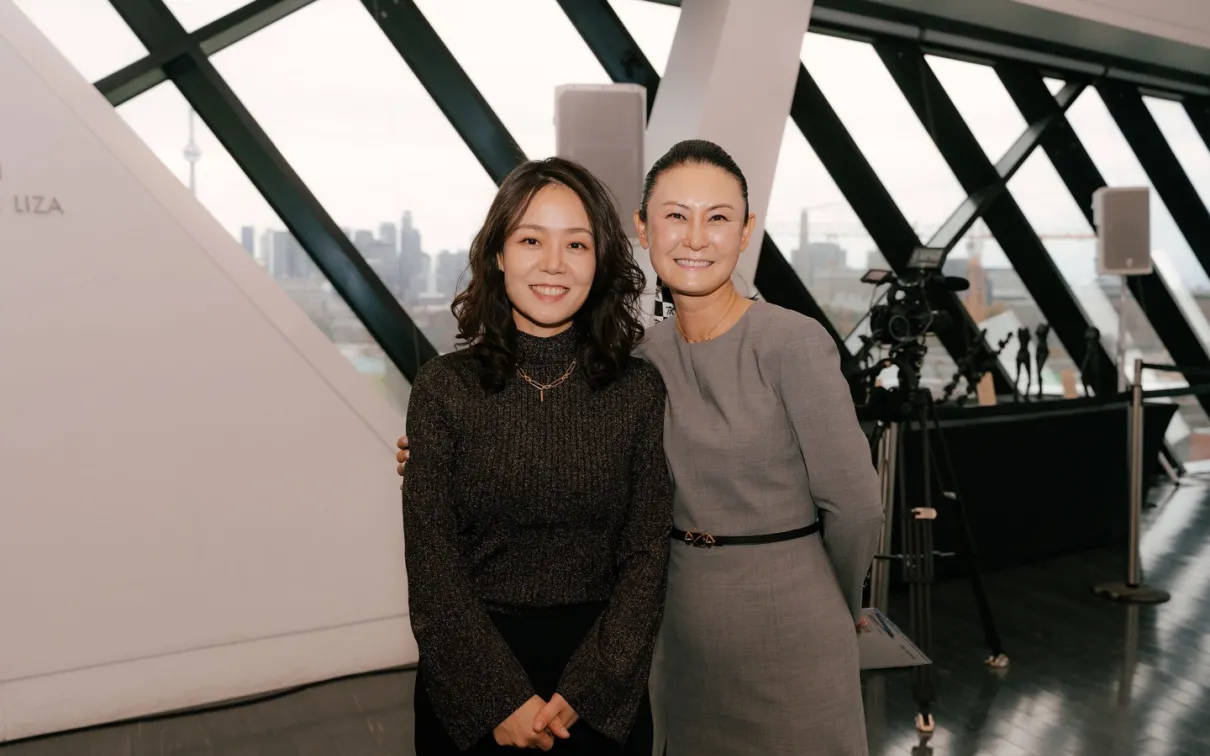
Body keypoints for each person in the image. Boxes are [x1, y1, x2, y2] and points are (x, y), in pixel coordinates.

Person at [401, 140, 884, 756]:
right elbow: (445, 549)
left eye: (718, 218)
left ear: (745, 230)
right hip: (671, 634)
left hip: (754, 626)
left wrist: (837, 596)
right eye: (676, 216)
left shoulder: (770, 346)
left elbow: (855, 506)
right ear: (642, 229)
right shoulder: (645, 358)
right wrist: (433, 459)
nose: (696, 238)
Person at [401, 157, 672, 755]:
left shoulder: (637, 391)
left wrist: (592, 686)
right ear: (499, 255)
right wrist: (499, 699)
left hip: (602, 684)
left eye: (576, 244)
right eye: (531, 240)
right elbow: (432, 563)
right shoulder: (443, 388)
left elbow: (647, 552)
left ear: (599, 260)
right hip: (469, 681)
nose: (553, 263)